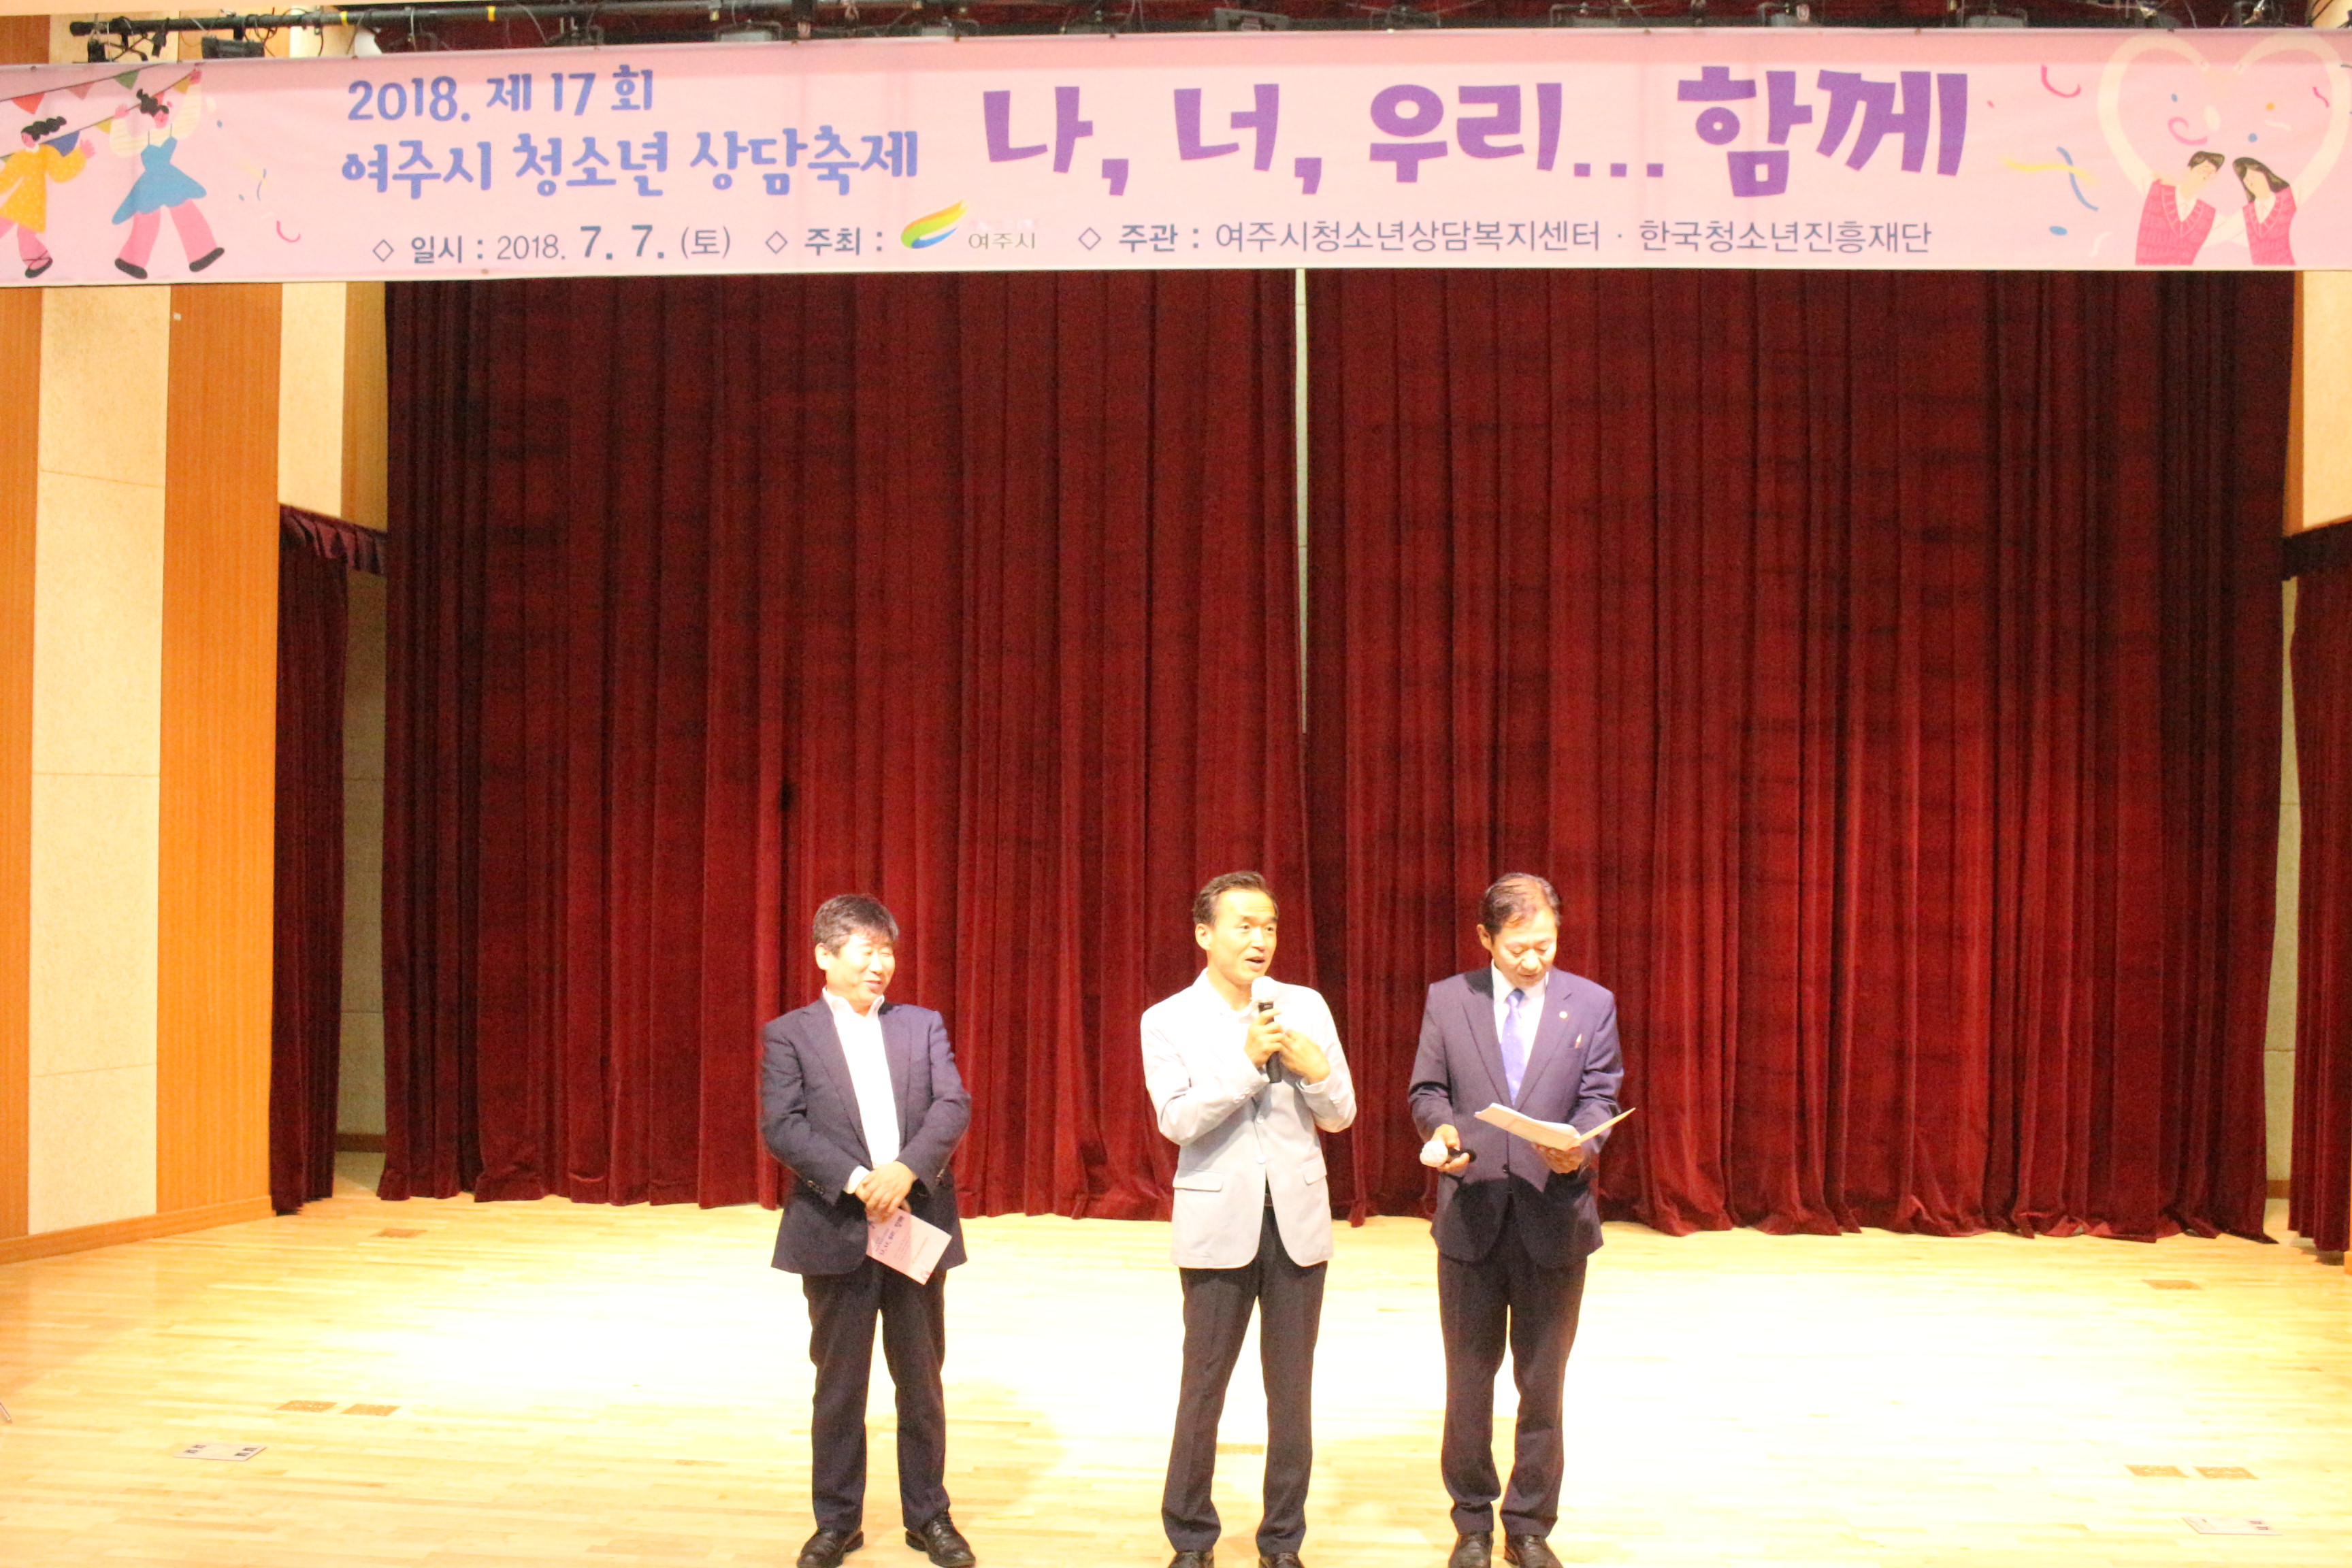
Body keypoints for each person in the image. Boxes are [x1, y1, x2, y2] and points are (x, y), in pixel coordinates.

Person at [1408, 874, 1623, 1568]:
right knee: (1469, 1381)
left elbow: (1599, 1095)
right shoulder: (1450, 999)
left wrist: (1580, 1145)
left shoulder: (1591, 1002)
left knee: (1543, 1383)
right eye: (1518, 948)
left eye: (1546, 946)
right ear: (1486, 939)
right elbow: (1427, 1090)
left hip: (1554, 1219)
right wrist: (1440, 1130)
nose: (1534, 960)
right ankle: (1472, 1522)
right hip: (1471, 1215)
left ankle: (1529, 1524)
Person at [1142, 871, 1356, 1568]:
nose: (1260, 939)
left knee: (1291, 1395)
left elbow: (1341, 1114)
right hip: (1217, 1225)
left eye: (1268, 926)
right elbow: (1177, 1121)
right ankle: (1190, 1537)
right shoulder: (1167, 1019)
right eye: (1244, 926)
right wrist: (1246, 1065)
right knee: (1203, 1387)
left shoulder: (1306, 1007)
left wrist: (1317, 1071)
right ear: (1205, 934)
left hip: (1297, 1223)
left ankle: (1282, 1541)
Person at [760, 894, 977, 1568]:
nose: (880, 963)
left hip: (914, 1219)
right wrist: (861, 1181)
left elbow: (952, 1104)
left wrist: (906, 1171)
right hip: (835, 1228)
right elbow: (782, 1125)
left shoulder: (921, 1025)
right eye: (866, 950)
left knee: (922, 1381)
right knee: (839, 1385)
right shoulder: (789, 1034)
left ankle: (929, 1515)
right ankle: (837, 1521)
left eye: (888, 951)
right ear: (825, 956)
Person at [102, 78, 223, 279]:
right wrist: (119, 121)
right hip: (151, 182)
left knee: (187, 214)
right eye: (158, 115)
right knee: (146, 221)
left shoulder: (172, 131)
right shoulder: (146, 138)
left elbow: (188, 118)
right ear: (152, 117)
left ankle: (203, 253)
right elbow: (122, 146)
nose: (162, 118)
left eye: (164, 114)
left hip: (170, 179)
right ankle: (130, 262)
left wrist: (194, 86)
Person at [0, 115, 87, 279]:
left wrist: (80, 156)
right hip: (20, 198)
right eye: (22, 138)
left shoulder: (47, 152)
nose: (23, 141)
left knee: (25, 234)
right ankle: (40, 260)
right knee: (2, 224)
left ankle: (40, 262)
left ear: (34, 136)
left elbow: (60, 172)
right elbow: (7, 178)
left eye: (25, 137)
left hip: (35, 200)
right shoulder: (20, 156)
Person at [2134, 150, 2221, 267]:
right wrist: (2175, 184)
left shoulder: (2208, 213)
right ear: (2188, 170)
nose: (2206, 176)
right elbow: (2131, 164)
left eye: (2211, 174)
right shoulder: (2158, 190)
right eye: (2203, 170)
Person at [2234, 156, 2296, 267]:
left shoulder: (2288, 197)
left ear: (2265, 174)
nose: (2250, 182)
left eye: (2253, 176)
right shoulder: (2247, 212)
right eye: (2246, 180)